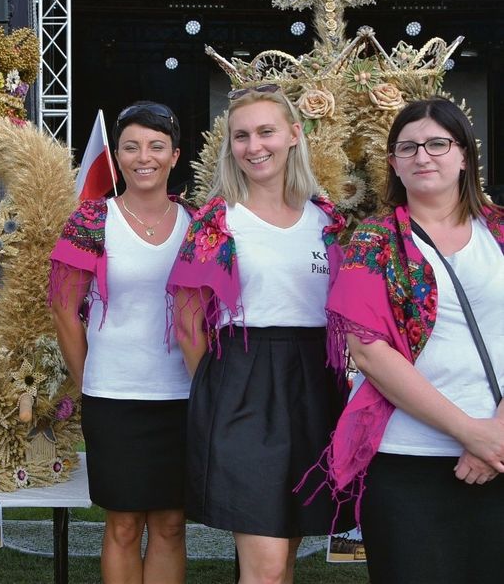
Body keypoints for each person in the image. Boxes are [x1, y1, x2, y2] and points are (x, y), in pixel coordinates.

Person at [168, 84, 349, 584]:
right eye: (241, 136)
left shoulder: (328, 222)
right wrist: (220, 393)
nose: (254, 146)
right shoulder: (217, 222)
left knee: (287, 553)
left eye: (266, 131)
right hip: (242, 382)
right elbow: (187, 323)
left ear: (294, 134)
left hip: (315, 383)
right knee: (266, 565)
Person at [322, 97, 504, 583]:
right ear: (394, 164)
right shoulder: (373, 242)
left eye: (438, 144)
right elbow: (368, 351)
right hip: (409, 460)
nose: (423, 156)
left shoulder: (501, 231)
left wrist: (497, 433)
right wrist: (472, 433)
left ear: (465, 154)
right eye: (409, 147)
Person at [50, 101, 192, 583]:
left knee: (172, 526)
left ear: (175, 155)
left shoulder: (201, 225)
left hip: (183, 398)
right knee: (125, 524)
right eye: (131, 146)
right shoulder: (90, 220)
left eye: (156, 146)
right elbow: (64, 313)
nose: (143, 156)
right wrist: (90, 379)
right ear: (118, 156)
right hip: (113, 399)